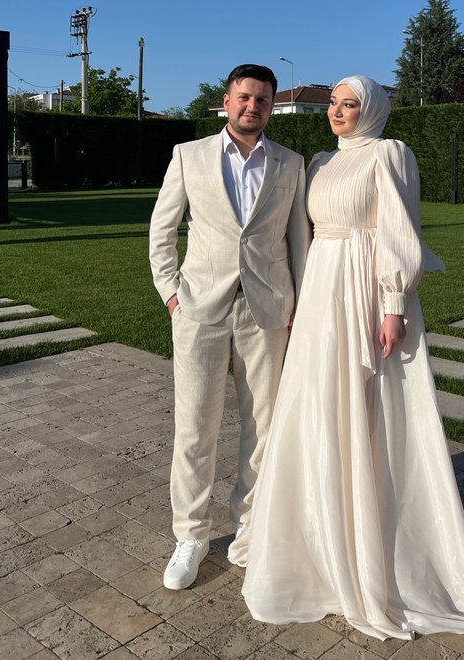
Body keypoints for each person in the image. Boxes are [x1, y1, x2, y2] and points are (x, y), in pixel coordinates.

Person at [237, 75, 464, 640]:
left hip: (365, 292)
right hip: (322, 290)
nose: (337, 112)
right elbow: (305, 235)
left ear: (372, 110)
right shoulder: (322, 161)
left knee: (368, 408)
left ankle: (370, 539)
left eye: (349, 104)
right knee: (315, 405)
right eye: (334, 103)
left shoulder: (390, 154)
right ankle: (316, 538)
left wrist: (395, 303)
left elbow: (400, 229)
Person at [149, 63, 310, 589]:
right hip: (199, 309)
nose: (252, 107)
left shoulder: (290, 164)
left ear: (271, 107)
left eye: (262, 100)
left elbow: (298, 241)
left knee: (263, 426)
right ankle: (191, 535)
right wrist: (172, 294)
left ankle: (249, 527)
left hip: (268, 312)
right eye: (244, 97)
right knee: (195, 427)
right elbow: (161, 230)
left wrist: (301, 303)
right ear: (226, 101)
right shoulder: (188, 155)